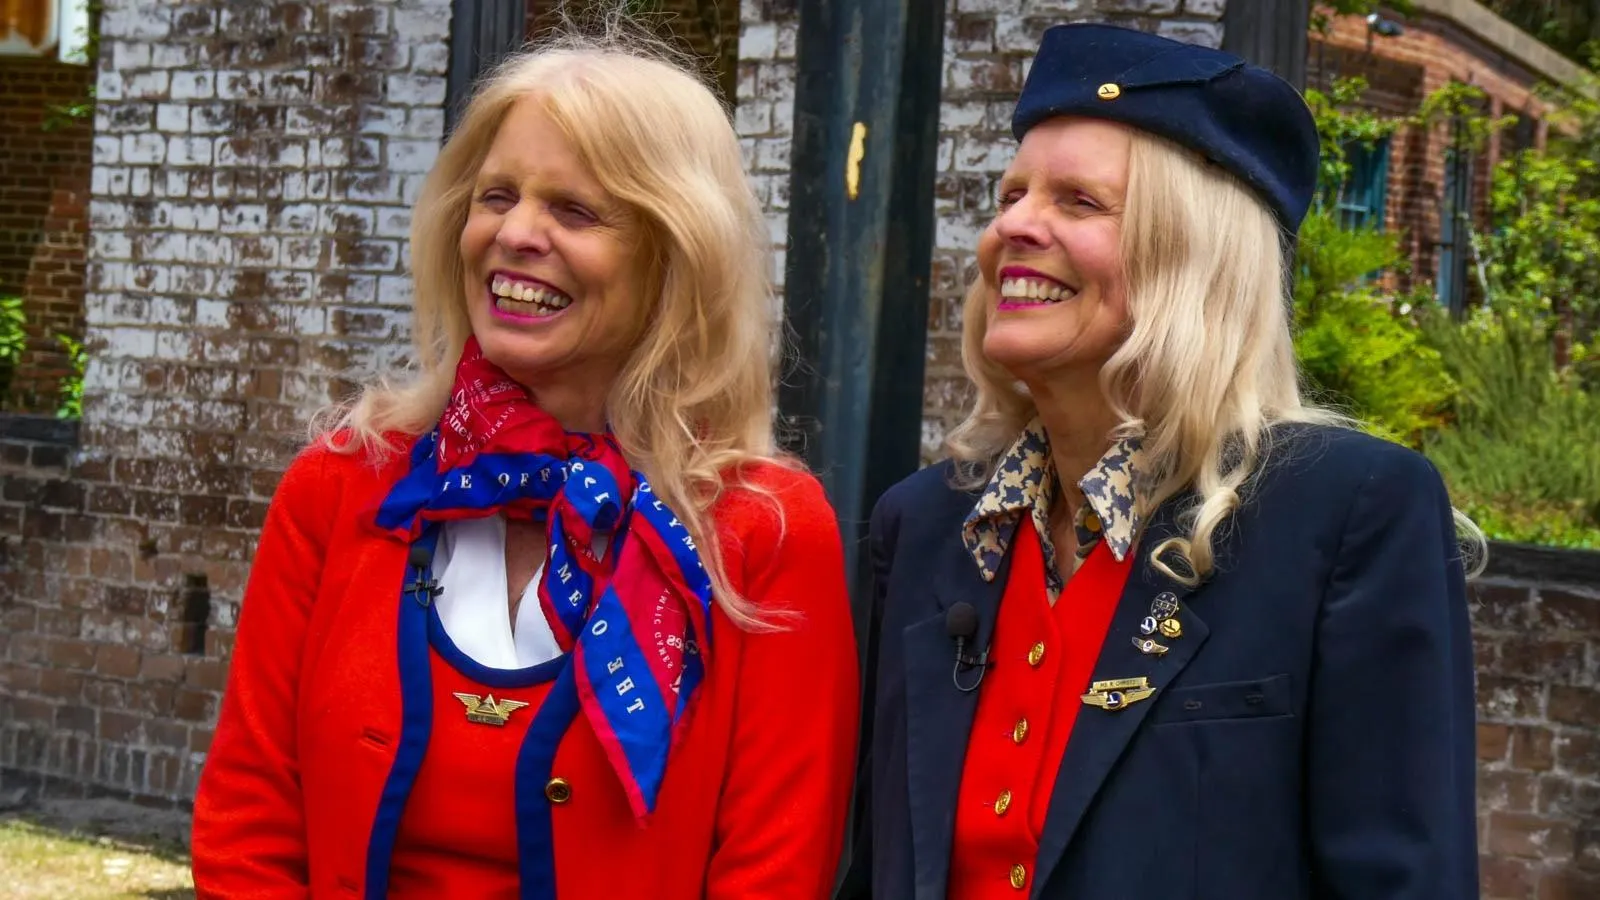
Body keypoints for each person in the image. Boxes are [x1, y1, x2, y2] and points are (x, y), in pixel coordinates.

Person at [190, 28, 860, 900]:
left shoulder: (761, 527)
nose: (514, 234)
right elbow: (249, 817)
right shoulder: (345, 482)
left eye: (574, 211)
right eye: (495, 195)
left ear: (675, 256)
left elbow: (774, 871)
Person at [843, 23, 1482, 900]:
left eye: (1078, 201)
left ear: (1195, 256)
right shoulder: (919, 528)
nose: (1011, 228)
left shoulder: (1346, 512)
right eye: (1012, 193)